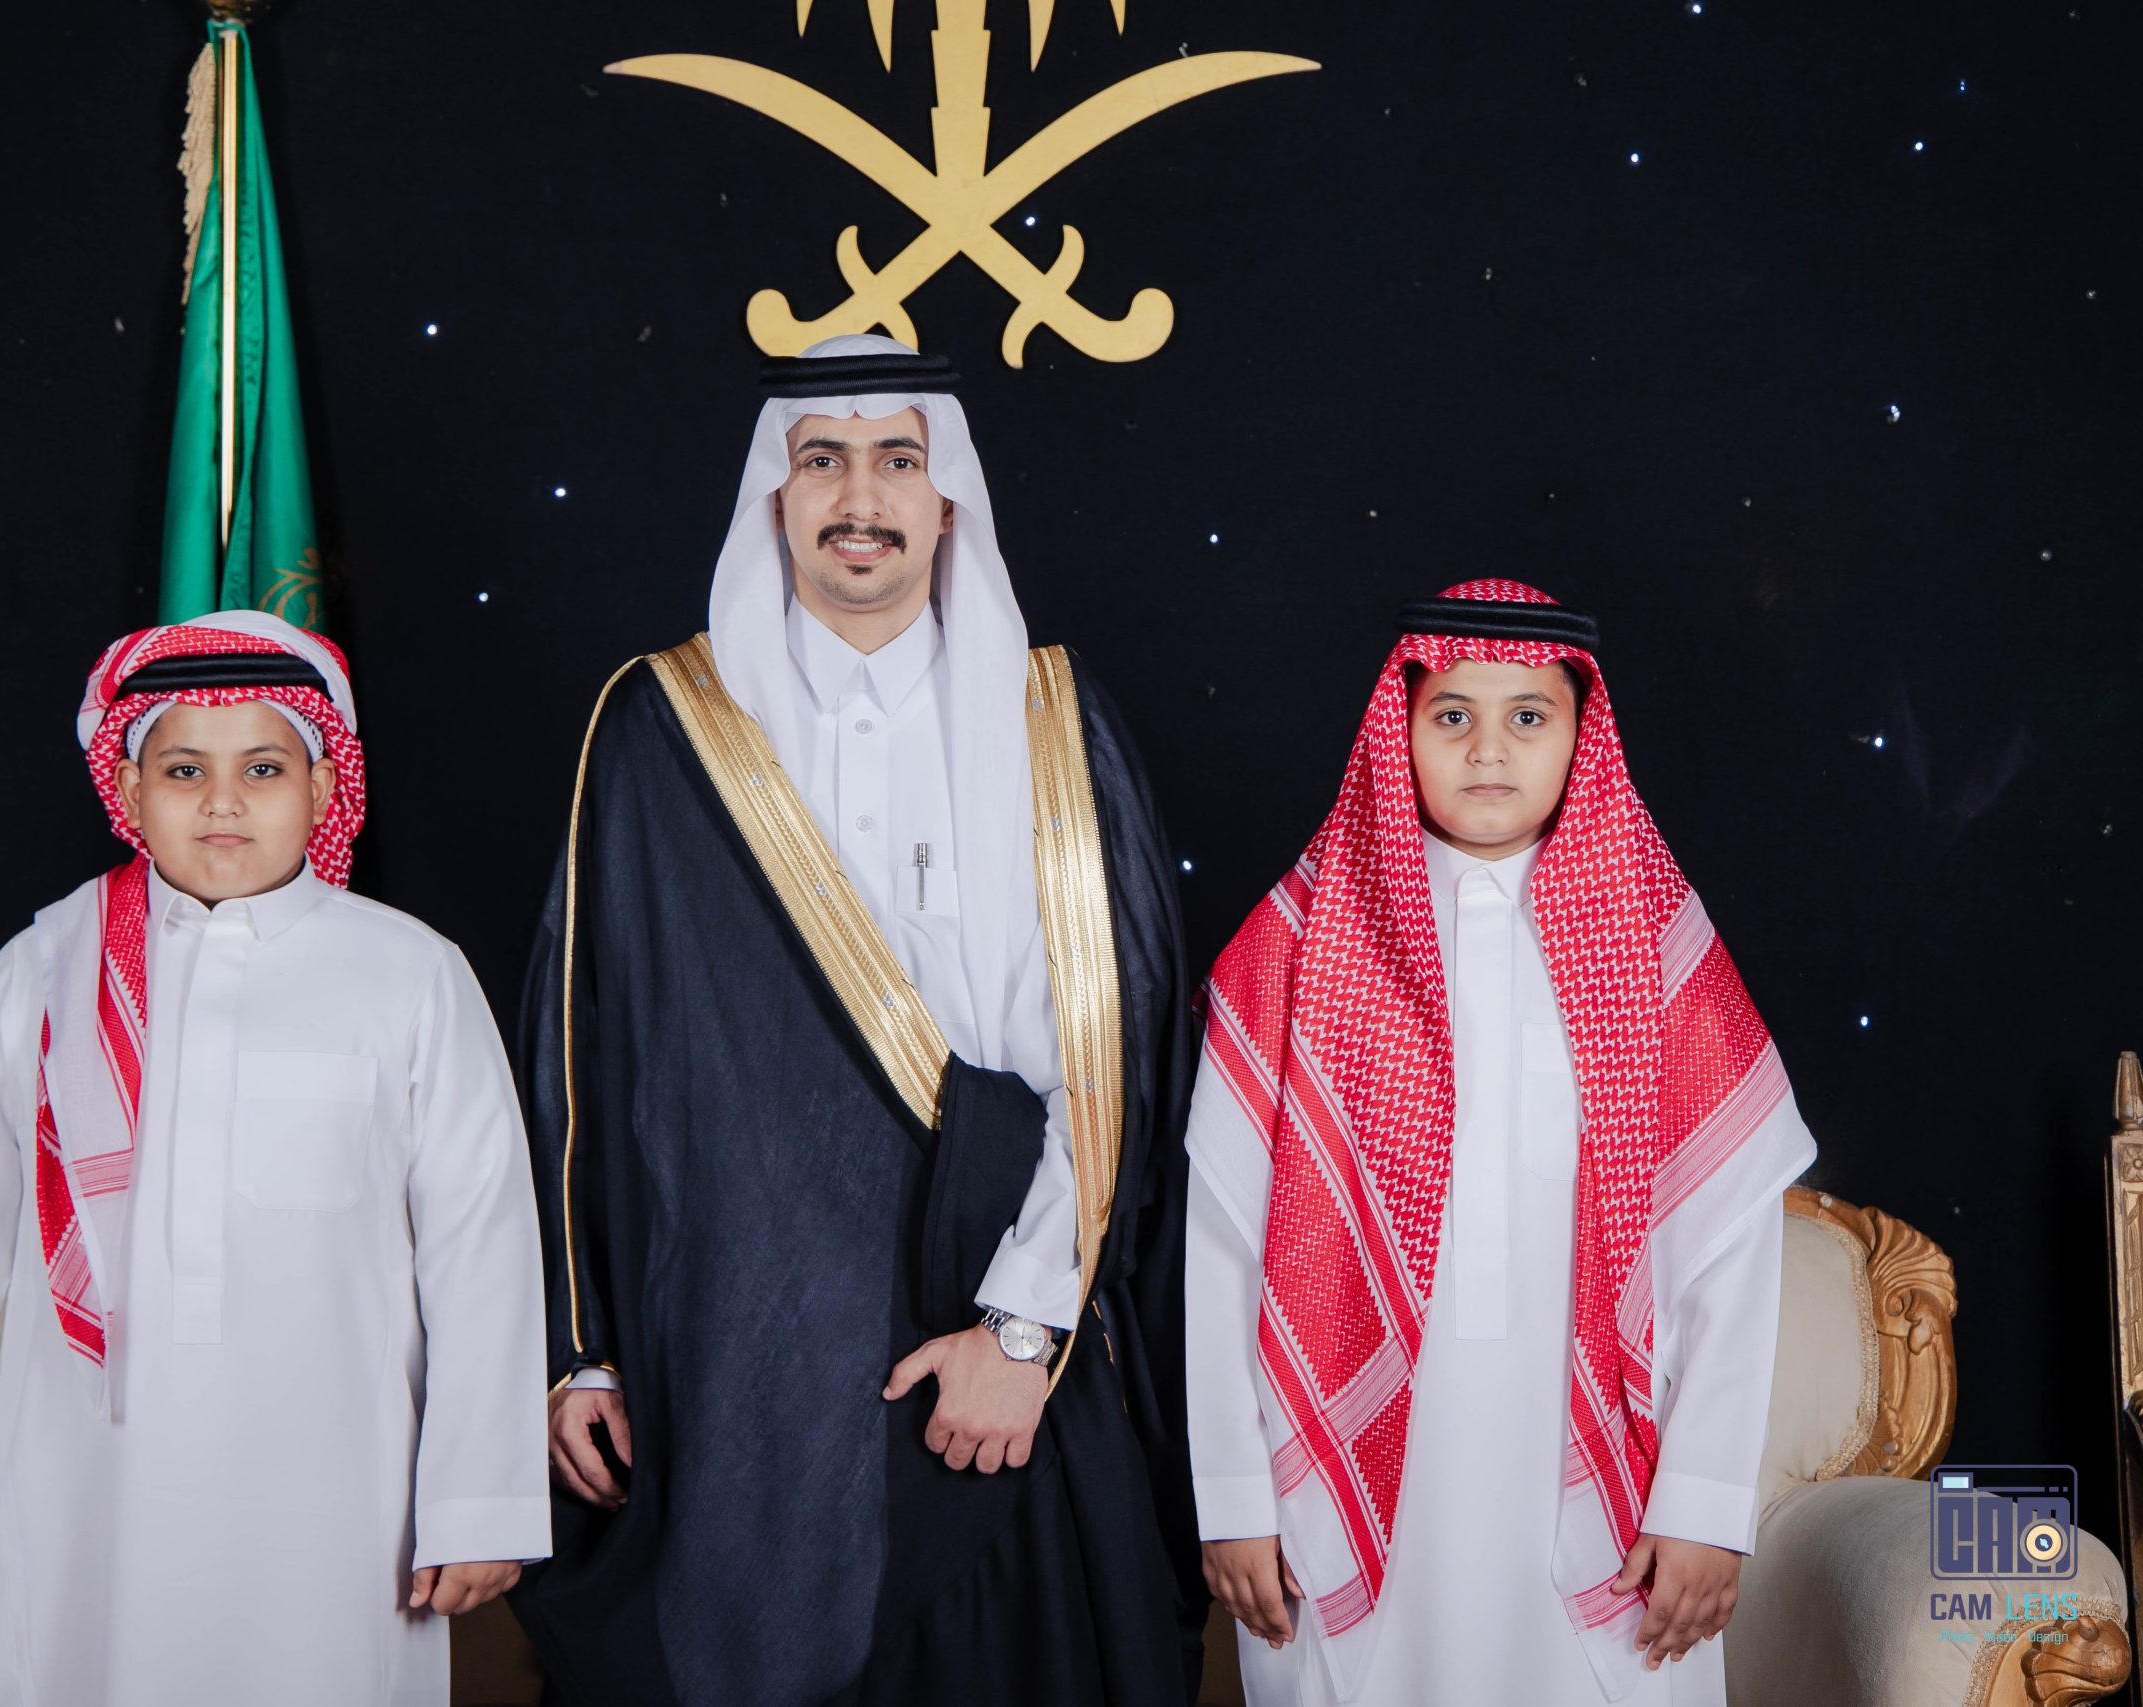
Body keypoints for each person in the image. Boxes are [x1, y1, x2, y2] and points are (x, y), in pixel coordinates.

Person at [509, 336, 1202, 1707]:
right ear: (774, 496)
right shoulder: (662, 723)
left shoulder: (1053, 721)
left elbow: (1117, 1052)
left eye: (899, 459)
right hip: (735, 1361)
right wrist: (578, 1345)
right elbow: (578, 1050)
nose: (860, 497)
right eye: (821, 459)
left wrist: (1023, 1332)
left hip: (1003, 1356)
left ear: (951, 500)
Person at [0, 610, 548, 1705]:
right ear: (129, 787)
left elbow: (482, 1247)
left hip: (334, 1491)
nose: (223, 800)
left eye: (263, 768)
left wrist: (480, 1499)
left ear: (323, 787)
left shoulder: (411, 974)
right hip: (88, 1483)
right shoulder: (46, 967)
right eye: (184, 768)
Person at [1187, 580, 1816, 1705]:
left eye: (1528, 715)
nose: (1489, 749)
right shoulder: (1299, 941)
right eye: (1452, 715)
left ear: (1581, 734)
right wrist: (1234, 1493)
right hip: (1338, 1477)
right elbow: (1226, 1241)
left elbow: (1731, 1250)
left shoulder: (1654, 942)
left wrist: (1705, 1502)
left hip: (1598, 1490)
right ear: (1399, 730)